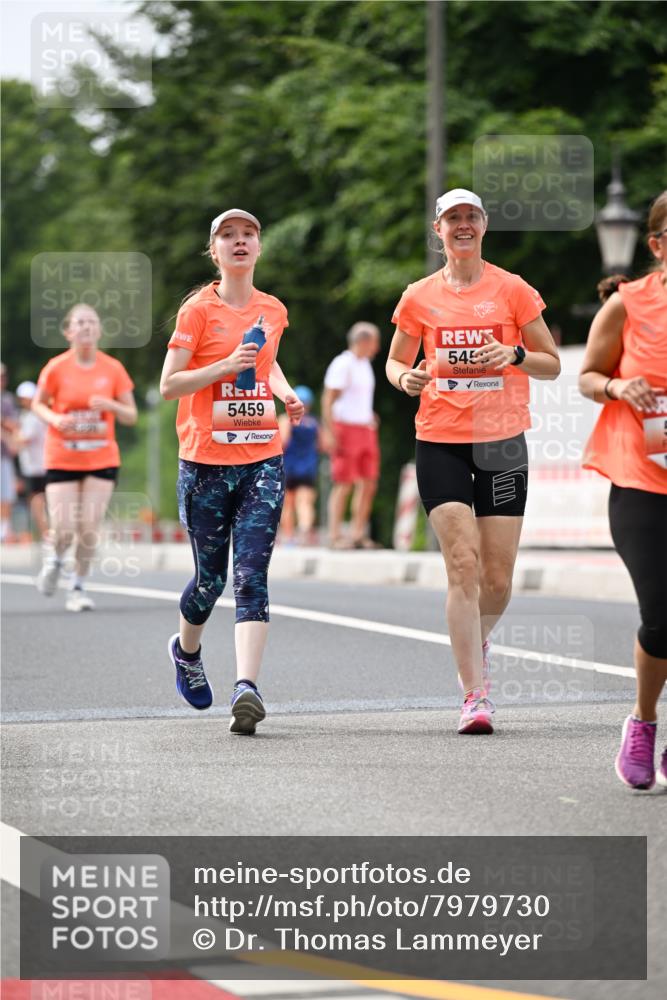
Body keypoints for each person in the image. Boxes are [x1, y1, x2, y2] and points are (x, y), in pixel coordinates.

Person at [386, 188, 560, 734]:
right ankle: (474, 696)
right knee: (463, 564)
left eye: (472, 218)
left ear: (483, 227)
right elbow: (395, 362)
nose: (463, 226)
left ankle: (474, 636)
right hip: (439, 438)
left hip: (502, 441)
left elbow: (551, 364)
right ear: (437, 230)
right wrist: (406, 378)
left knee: (499, 578)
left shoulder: (512, 291)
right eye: (452, 218)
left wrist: (512, 355)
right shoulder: (418, 296)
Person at [160, 208, 304, 735]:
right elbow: (169, 385)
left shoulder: (274, 309)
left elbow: (265, 361)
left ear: (259, 249)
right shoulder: (198, 312)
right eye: (228, 236)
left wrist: (283, 391)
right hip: (203, 462)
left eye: (248, 235)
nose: (239, 242)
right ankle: (187, 651)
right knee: (210, 580)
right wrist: (223, 367)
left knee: (251, 576)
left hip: (261, 458)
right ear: (214, 251)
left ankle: (247, 687)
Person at [579, 190, 667, 791]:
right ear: (658, 245)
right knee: (661, 619)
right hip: (642, 480)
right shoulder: (628, 305)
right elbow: (587, 375)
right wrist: (619, 388)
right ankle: (642, 721)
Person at [32, 304, 137, 611]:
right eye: (80, 323)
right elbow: (38, 405)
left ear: (99, 330)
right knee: (64, 528)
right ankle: (54, 560)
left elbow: (131, 415)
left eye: (92, 322)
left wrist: (111, 405)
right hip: (62, 456)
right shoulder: (56, 367)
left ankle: (77, 587)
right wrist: (54, 418)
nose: (87, 327)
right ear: (69, 331)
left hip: (101, 457)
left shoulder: (113, 369)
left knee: (89, 528)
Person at [322, 322, 381, 549]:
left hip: (365, 427)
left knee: (368, 482)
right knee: (344, 482)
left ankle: (358, 533)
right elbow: (329, 398)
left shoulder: (364, 364)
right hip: (345, 428)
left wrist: (369, 414)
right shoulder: (343, 363)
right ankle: (335, 534)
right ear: (364, 341)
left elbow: (358, 397)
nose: (376, 348)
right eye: (374, 343)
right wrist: (329, 430)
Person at [278, 384, 321, 545]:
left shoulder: (286, 419)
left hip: (289, 466)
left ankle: (289, 537)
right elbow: (322, 445)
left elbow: (284, 441)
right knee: (305, 502)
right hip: (308, 467)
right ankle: (304, 530)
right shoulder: (313, 423)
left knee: (288, 504)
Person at [14, 381, 48, 539]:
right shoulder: (28, 415)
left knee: (37, 500)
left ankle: (45, 532)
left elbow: (23, 439)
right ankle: (44, 532)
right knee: (37, 500)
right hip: (33, 466)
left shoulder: (35, 416)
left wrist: (8, 432)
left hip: (38, 466)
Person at [0, 363, 19, 541]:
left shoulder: (6, 400)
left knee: (5, 493)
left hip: (3, 455)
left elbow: (14, 425)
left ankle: (4, 530)